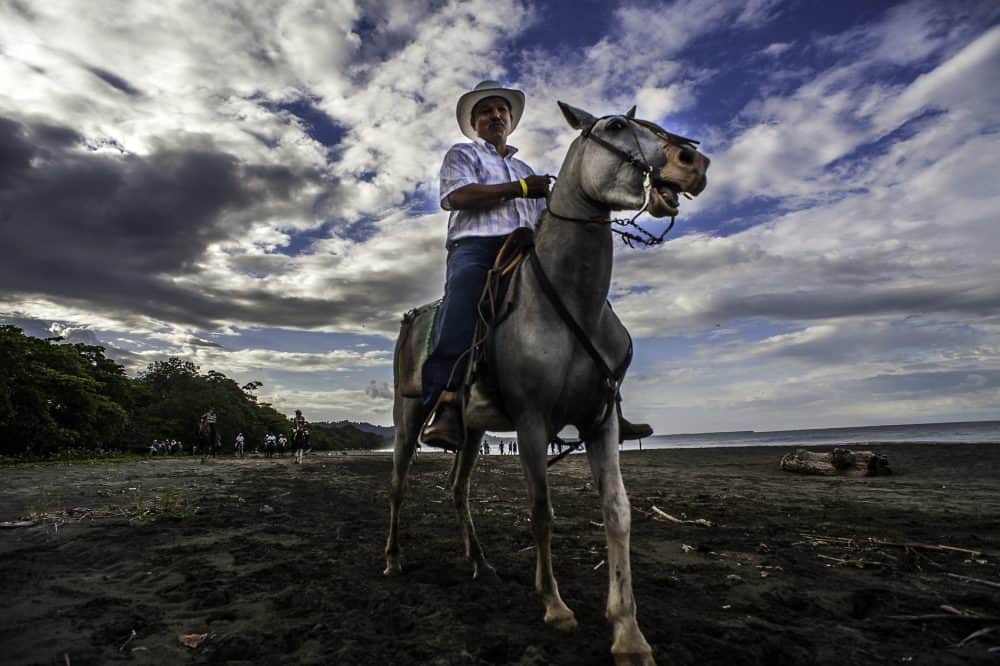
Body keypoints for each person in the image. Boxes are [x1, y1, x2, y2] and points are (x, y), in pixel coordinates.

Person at [420, 80, 652, 449]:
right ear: (474, 121)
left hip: (529, 249)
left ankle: (608, 402)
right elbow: (456, 196)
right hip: (477, 247)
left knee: (593, 307)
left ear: (510, 120)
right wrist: (522, 189)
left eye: (502, 111)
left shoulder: (526, 167)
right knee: (463, 298)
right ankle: (447, 403)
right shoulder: (464, 155)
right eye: (486, 111)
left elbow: (552, 221)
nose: (495, 115)